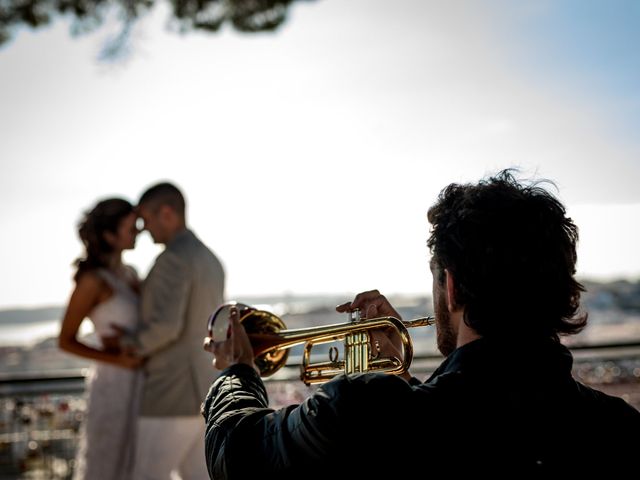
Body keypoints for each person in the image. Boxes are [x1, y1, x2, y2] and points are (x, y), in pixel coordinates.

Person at [201, 169, 640, 478]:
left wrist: (238, 371)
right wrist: (404, 377)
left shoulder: (367, 411)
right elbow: (471, 418)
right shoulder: (618, 427)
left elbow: (236, 455)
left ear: (450, 287)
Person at [119, 181, 226, 480]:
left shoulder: (172, 259)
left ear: (167, 214)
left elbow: (165, 327)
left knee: (145, 475)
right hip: (204, 387)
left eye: (147, 220)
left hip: (171, 391)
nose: (144, 229)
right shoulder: (210, 258)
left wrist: (126, 344)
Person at [58, 197, 143, 480]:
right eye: (132, 227)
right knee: (109, 465)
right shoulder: (93, 280)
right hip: (114, 385)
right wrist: (116, 358)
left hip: (143, 383)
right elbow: (65, 340)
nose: (139, 232)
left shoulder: (130, 274)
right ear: (109, 235)